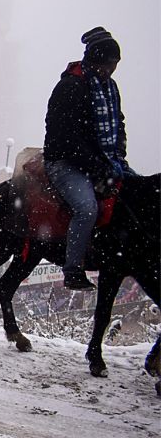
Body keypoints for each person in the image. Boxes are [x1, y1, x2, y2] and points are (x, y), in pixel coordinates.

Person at [43, 27, 136, 291]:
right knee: (87, 208)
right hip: (64, 162)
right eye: (108, 65)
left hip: (104, 161)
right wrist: (98, 169)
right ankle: (73, 269)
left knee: (140, 194)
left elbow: (119, 123)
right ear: (96, 61)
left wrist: (118, 156)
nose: (111, 71)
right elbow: (65, 139)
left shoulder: (110, 88)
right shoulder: (70, 87)